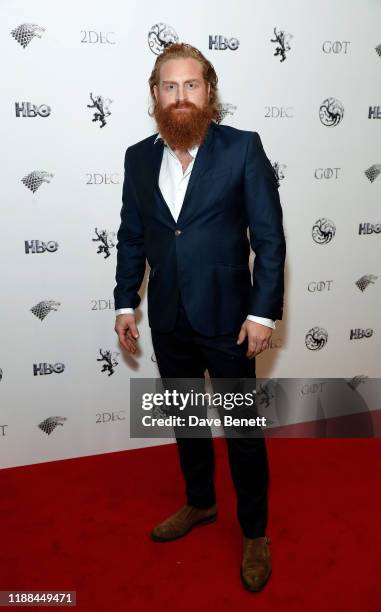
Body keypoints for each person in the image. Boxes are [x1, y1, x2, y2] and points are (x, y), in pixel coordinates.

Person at [114, 42, 286, 592]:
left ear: (209, 92)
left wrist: (263, 313)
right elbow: (132, 236)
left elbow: (269, 238)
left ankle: (255, 533)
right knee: (187, 422)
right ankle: (200, 503)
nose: (180, 96)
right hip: (168, 319)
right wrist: (125, 301)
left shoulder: (242, 149)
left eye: (191, 85)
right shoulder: (138, 158)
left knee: (241, 432)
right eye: (169, 86)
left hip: (230, 318)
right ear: (155, 96)